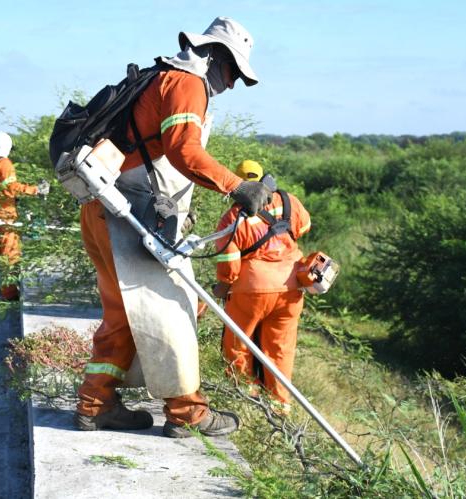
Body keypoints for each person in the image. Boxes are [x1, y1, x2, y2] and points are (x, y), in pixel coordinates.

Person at [74, 17, 272, 438]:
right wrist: (238, 187)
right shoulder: (187, 84)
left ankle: (96, 405)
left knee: (123, 314)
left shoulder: (160, 76)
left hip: (101, 209)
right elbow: (184, 152)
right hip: (126, 213)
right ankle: (188, 413)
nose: (233, 83)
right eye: (233, 70)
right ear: (216, 55)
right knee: (174, 307)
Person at [212, 160, 312, 414]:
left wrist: (221, 288)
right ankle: (280, 407)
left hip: (251, 291)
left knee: (238, 345)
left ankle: (247, 399)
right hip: (291, 289)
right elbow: (303, 226)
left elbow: (229, 266)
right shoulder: (288, 201)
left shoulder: (233, 217)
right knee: (280, 348)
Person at [0, 131, 48, 301]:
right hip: (6, 217)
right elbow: (10, 188)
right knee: (9, 255)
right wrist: (36, 190)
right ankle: (10, 294)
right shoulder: (3, 164)